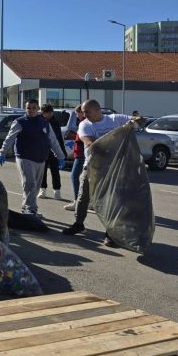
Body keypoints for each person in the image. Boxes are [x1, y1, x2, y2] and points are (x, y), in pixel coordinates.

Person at [61, 99, 140, 246]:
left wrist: (133, 122)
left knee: (112, 200)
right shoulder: (85, 124)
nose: (85, 115)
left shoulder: (115, 119)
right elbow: (90, 143)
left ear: (97, 110)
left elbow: (139, 120)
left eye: (87, 112)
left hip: (113, 169)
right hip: (91, 166)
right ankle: (78, 223)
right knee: (82, 196)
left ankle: (110, 233)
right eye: (83, 112)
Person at [0, 99, 66, 217]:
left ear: (38, 108)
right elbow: (10, 138)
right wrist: (2, 153)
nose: (31, 110)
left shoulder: (44, 122)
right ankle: (29, 209)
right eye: (29, 108)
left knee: (36, 186)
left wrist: (60, 156)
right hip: (24, 157)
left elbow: (53, 141)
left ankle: (29, 208)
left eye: (34, 107)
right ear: (26, 109)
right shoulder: (20, 122)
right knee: (29, 183)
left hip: (41, 158)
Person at [39, 104, 65, 200]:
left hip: (55, 151)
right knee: (42, 171)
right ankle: (42, 190)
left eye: (51, 112)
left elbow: (59, 138)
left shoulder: (55, 122)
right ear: (42, 113)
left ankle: (57, 191)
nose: (49, 114)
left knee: (55, 171)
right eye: (47, 113)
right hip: (42, 151)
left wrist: (62, 153)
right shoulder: (39, 122)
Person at [64, 105, 86, 211]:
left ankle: (77, 201)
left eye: (78, 113)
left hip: (82, 155)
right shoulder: (82, 122)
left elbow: (84, 139)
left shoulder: (84, 123)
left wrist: (75, 136)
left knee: (74, 176)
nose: (76, 115)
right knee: (84, 179)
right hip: (80, 153)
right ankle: (83, 201)